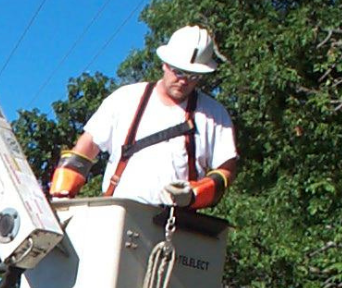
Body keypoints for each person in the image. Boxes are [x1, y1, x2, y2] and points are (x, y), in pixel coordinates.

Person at [49, 25, 238, 210]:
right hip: (120, 215)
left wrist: (194, 194)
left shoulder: (214, 114)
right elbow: (86, 148)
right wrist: (60, 197)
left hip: (178, 225)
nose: (183, 80)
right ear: (164, 63)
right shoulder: (126, 98)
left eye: (193, 75)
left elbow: (226, 168)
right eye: (178, 71)